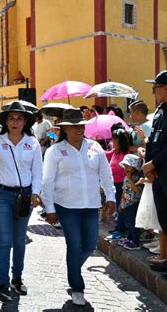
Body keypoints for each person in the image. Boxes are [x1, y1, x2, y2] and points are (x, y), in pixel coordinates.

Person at [41, 108, 115, 307]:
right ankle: (77, 287)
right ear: (64, 129)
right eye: (73, 127)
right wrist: (50, 209)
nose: (78, 130)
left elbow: (106, 174)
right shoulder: (54, 151)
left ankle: (73, 269)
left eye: (81, 126)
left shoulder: (94, 148)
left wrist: (110, 196)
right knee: (74, 245)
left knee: (90, 245)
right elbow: (46, 182)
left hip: (91, 204)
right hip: (66, 206)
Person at [0, 101, 42, 302]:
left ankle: (17, 278)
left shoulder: (33, 143)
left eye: (19, 118)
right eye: (11, 119)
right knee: (4, 240)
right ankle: (2, 284)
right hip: (0, 196)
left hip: (24, 197)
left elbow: (38, 172)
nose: (15, 122)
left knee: (19, 240)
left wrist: (36, 193)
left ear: (25, 122)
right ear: (6, 122)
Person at [143, 70, 167, 273]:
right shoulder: (160, 111)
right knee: (165, 218)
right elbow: (152, 140)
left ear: (166, 88)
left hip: (166, 171)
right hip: (158, 174)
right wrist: (148, 165)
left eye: (155, 88)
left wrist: (154, 164)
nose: (154, 92)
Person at [117, 154, 143, 250]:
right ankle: (129, 238)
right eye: (125, 166)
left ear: (135, 167)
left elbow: (137, 190)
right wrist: (121, 203)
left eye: (129, 166)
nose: (126, 168)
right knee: (127, 222)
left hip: (133, 203)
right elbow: (124, 191)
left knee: (133, 223)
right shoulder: (126, 178)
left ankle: (136, 242)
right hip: (126, 203)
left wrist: (131, 179)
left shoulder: (137, 178)